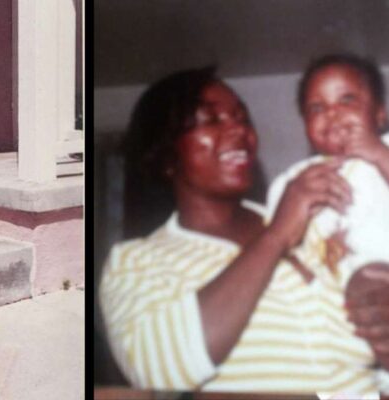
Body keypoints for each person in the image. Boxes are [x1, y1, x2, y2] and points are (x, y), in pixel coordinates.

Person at [98, 66, 389, 397]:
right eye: (211, 120)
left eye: (241, 117)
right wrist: (276, 236)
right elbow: (156, 368)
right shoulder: (136, 261)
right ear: (165, 155)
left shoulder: (319, 226)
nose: (238, 129)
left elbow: (362, 357)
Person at [267, 53, 389, 288]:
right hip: (333, 300)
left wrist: (381, 155)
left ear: (379, 115)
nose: (331, 113)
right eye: (316, 107)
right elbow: (279, 247)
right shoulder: (294, 180)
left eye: (347, 100)